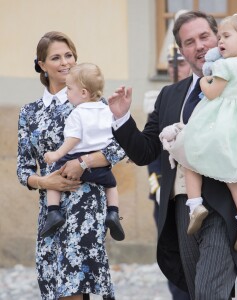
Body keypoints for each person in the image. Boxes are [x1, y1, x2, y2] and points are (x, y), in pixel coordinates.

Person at [108, 10, 237, 299]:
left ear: (218, 37)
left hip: (225, 205)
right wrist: (121, 119)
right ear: (182, 51)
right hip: (184, 207)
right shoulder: (169, 95)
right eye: (190, 41)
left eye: (205, 36)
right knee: (199, 291)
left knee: (209, 292)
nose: (200, 46)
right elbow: (146, 151)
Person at [17, 31, 125, 300]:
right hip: (51, 212)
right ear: (42, 65)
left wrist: (82, 162)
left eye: (69, 55)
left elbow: (118, 147)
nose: (65, 62)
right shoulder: (29, 113)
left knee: (74, 289)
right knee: (54, 288)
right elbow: (23, 169)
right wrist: (44, 182)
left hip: (86, 205)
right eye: (56, 57)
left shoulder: (93, 102)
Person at [159, 14, 237, 252]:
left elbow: (213, 92)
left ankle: (196, 206)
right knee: (234, 179)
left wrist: (206, 80)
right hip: (234, 136)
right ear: (182, 50)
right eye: (189, 42)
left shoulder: (223, 66)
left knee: (189, 156)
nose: (218, 42)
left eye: (220, 36)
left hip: (219, 130)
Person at [42, 62, 125, 241]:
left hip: (73, 162)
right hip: (100, 165)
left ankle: (53, 212)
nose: (67, 92)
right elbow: (117, 137)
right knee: (111, 185)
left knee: (53, 177)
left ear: (83, 93)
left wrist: (57, 154)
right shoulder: (108, 111)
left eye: (69, 89)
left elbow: (73, 139)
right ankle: (113, 212)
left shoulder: (77, 113)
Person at [144, 44, 191, 300]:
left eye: (181, 63)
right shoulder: (161, 98)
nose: (177, 68)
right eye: (173, 64)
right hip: (167, 190)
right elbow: (152, 153)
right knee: (173, 254)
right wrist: (159, 187)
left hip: (197, 190)